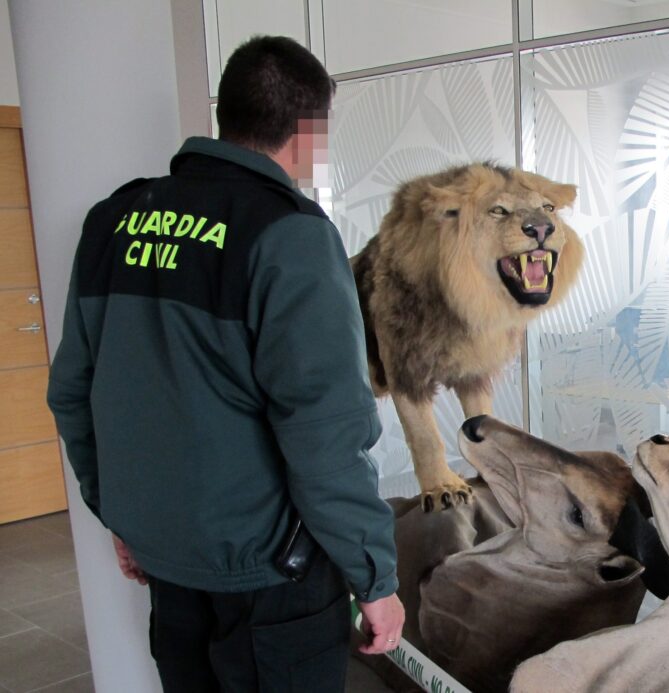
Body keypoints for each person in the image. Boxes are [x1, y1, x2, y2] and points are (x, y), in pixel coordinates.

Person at [47, 35, 404, 692]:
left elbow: (73, 391)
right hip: (273, 580)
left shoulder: (114, 222)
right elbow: (326, 432)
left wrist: (124, 514)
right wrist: (374, 574)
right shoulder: (288, 234)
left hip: (170, 565)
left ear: (228, 114)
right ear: (307, 131)